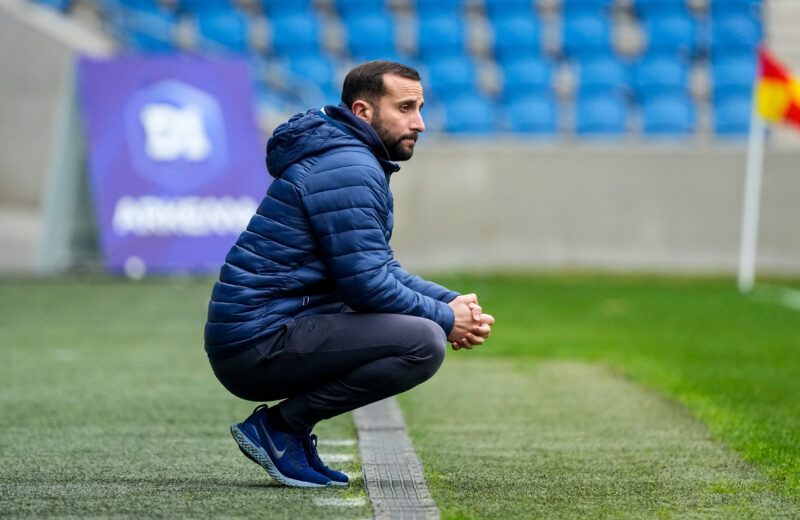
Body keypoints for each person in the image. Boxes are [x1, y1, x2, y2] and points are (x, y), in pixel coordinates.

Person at [204, 60, 494, 488]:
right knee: (423, 342)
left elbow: (378, 266)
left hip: (267, 329)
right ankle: (281, 428)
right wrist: (447, 319)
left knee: (422, 328)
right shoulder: (349, 167)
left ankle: (287, 430)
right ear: (363, 111)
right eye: (405, 108)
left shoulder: (347, 157)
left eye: (420, 108)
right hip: (256, 342)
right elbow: (366, 286)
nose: (420, 123)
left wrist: (447, 301)